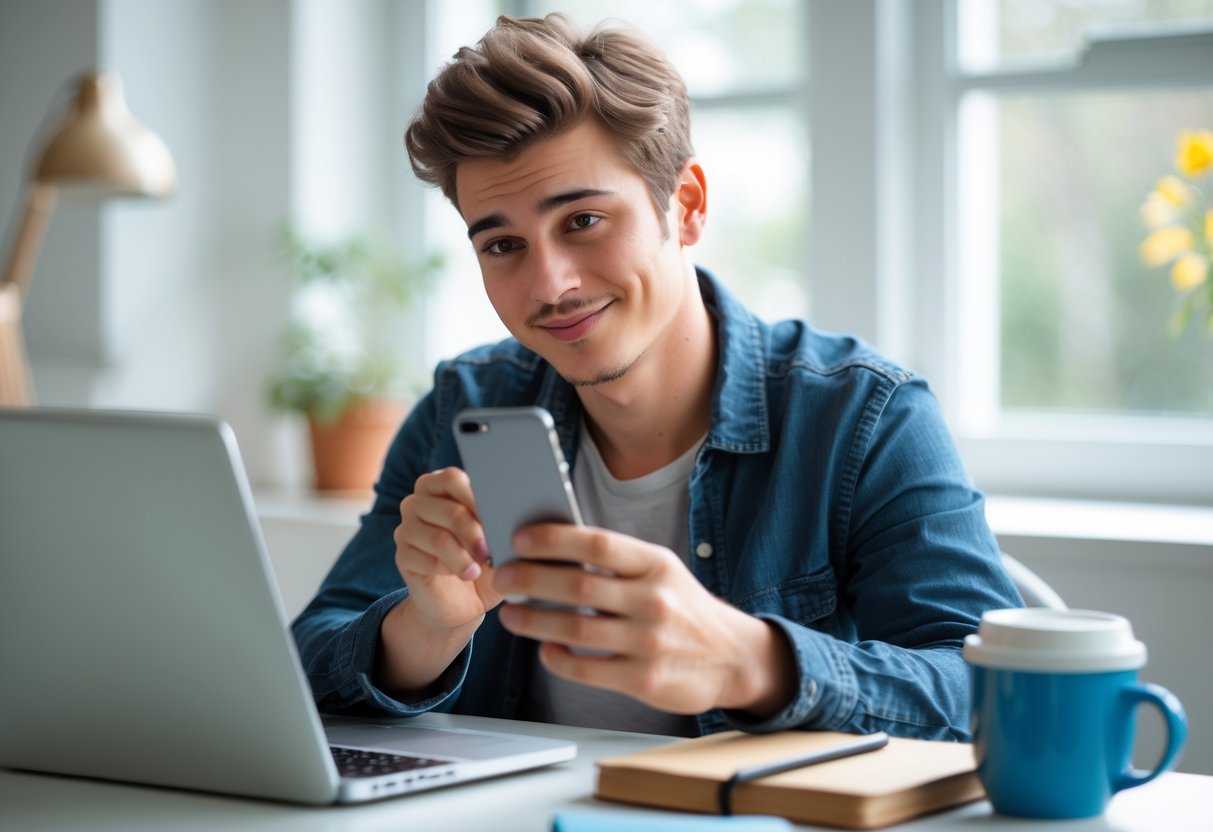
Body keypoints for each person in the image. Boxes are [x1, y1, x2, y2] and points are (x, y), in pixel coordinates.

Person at [291, 13, 1021, 741]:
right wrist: (423, 628)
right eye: (503, 243)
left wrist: (750, 661)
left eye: (581, 221)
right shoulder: (465, 407)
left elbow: (992, 691)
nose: (549, 284)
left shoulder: (863, 416)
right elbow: (303, 658)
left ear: (689, 205)